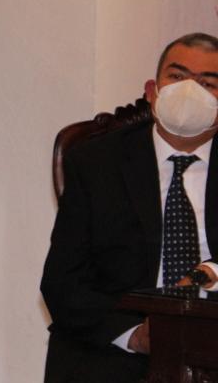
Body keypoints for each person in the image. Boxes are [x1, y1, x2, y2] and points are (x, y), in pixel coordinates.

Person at [41, 32, 218, 382]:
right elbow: (63, 283)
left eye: (207, 83)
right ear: (152, 91)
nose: (189, 92)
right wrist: (134, 335)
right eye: (177, 76)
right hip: (116, 344)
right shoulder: (96, 163)